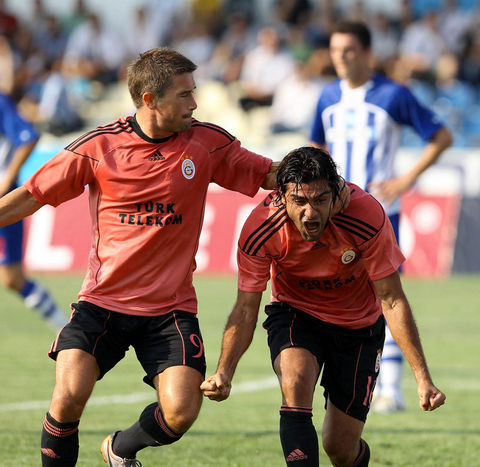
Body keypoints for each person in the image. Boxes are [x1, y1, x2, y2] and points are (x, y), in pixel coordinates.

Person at [0, 47, 280, 467]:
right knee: (68, 395)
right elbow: (31, 196)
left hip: (170, 309)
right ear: (150, 98)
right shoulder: (99, 146)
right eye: (184, 95)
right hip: (102, 303)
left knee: (181, 413)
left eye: (194, 92)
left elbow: (269, 173)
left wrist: (326, 179)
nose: (195, 103)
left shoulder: (206, 142)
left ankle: (120, 448)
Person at [201, 146, 446, 467]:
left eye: (319, 200)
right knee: (295, 380)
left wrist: (422, 378)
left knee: (340, 449)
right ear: (282, 198)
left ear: (335, 193)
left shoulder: (366, 216)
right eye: (299, 201)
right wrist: (224, 370)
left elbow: (392, 299)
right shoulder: (261, 228)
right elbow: (246, 308)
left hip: (359, 328)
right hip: (295, 315)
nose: (310, 213)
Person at [309, 20, 453, 413]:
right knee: (334, 294)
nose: (340, 57)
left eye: (349, 50)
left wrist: (406, 178)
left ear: (368, 54)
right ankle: (338, 381)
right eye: (336, 50)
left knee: (386, 295)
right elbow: (314, 144)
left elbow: (441, 136)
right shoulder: (327, 97)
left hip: (378, 213)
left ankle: (393, 389)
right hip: (332, 216)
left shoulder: (393, 95)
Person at [0, 91, 67, 331]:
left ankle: (64, 329)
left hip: (2, 204)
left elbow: (28, 137)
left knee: (12, 278)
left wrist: (6, 179)